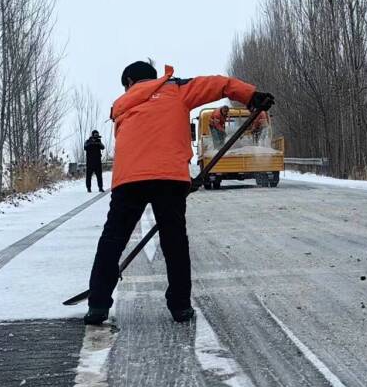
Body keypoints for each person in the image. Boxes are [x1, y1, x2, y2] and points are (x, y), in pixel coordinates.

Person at [85, 61, 274, 326]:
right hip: (169, 178)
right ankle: (180, 306)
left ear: (129, 82)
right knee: (174, 242)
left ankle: (97, 305)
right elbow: (220, 84)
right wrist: (251, 96)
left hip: (129, 179)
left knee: (112, 240)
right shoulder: (176, 89)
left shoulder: (121, 104)